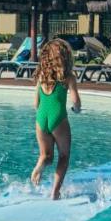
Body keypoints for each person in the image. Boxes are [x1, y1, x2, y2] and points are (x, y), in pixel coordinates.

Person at [31, 38, 82, 199]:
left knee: (46, 156)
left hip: (41, 119)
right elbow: (75, 101)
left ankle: (39, 166)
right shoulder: (68, 77)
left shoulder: (41, 75)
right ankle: (55, 192)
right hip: (58, 118)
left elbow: (36, 103)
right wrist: (76, 109)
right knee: (63, 156)